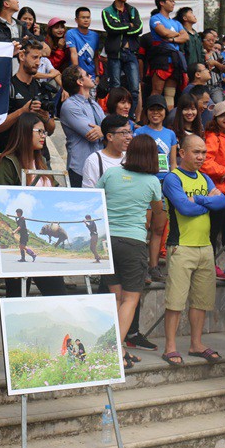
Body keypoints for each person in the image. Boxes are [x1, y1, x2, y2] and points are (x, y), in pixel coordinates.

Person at [97, 134, 166, 369]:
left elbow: (94, 198)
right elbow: (159, 211)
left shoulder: (111, 173)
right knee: (130, 300)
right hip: (133, 243)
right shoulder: (152, 182)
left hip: (107, 243)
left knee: (115, 298)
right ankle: (114, 349)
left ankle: (121, 349)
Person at [161, 135, 225, 365]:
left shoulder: (205, 177)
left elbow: (222, 204)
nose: (200, 157)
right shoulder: (173, 178)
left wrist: (197, 199)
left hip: (205, 247)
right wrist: (206, 202)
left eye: (203, 153)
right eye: (196, 152)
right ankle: (170, 346)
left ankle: (196, 344)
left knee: (201, 300)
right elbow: (184, 209)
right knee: (175, 300)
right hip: (181, 247)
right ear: (182, 152)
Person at [0, 113, 68, 297]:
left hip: (41, 244)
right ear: (24, 133)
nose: (43, 136)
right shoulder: (6, 164)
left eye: (45, 132)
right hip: (19, 241)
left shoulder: (42, 163)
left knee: (57, 293)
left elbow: (55, 193)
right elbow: (1, 203)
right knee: (17, 296)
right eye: (39, 131)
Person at [0, 41, 55, 155]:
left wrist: (46, 118)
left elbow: (51, 130)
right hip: (13, 155)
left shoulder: (42, 88)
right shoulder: (7, 88)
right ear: (21, 56)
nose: (38, 63)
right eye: (34, 57)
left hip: (40, 157)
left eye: (40, 58)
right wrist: (22, 111)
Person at [202, 101, 225, 271]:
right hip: (216, 191)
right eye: (223, 115)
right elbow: (204, 161)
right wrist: (221, 171)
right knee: (215, 230)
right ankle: (212, 265)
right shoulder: (213, 137)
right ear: (215, 118)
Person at [59, 65, 105, 187]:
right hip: (80, 168)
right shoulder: (70, 106)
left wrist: (104, 131)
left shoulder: (94, 104)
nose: (91, 76)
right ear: (80, 82)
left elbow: (108, 128)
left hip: (100, 166)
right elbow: (92, 134)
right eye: (86, 75)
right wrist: (106, 132)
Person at [102, 0, 142, 115]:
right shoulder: (107, 11)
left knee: (135, 89)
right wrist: (129, 26)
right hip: (115, 54)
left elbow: (139, 28)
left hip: (131, 53)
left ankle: (129, 117)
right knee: (115, 87)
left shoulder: (132, 10)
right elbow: (111, 27)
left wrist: (123, 27)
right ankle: (114, 116)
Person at [148, 0, 188, 107]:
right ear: (161, 3)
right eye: (170, 1)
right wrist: (177, 35)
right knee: (157, 90)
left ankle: (168, 121)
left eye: (174, 1)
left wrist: (173, 39)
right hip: (161, 58)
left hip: (175, 59)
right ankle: (150, 119)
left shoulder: (175, 22)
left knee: (170, 93)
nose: (173, 4)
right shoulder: (155, 18)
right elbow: (164, 32)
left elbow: (185, 37)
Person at [136, 93, 178, 181]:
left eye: (159, 109)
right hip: (145, 179)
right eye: (151, 109)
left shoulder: (171, 134)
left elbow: (173, 163)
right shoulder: (139, 132)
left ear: (165, 111)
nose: (155, 112)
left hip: (166, 180)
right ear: (146, 112)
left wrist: (174, 181)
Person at [82, 114, 130, 188]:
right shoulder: (94, 160)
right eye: (124, 133)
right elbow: (89, 193)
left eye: (129, 132)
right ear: (110, 136)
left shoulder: (131, 157)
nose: (129, 137)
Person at [66, 7, 99, 80]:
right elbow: (73, 53)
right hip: (77, 75)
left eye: (88, 17)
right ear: (76, 20)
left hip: (91, 76)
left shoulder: (95, 35)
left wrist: (97, 75)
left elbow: (96, 56)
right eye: (83, 17)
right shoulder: (71, 33)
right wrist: (77, 74)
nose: (86, 20)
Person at [203, 29, 225, 104]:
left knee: (219, 105)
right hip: (202, 87)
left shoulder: (217, 55)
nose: (211, 43)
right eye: (209, 40)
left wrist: (216, 63)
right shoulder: (199, 53)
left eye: (213, 41)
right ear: (202, 41)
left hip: (216, 87)